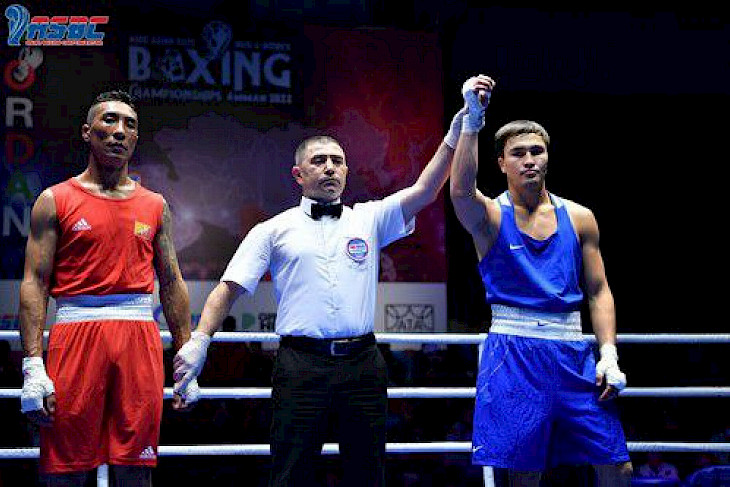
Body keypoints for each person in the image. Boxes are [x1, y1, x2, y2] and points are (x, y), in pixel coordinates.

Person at [172, 80, 482, 486]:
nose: (330, 167)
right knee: (291, 473)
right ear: (298, 174)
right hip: (301, 364)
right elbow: (227, 289)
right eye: (319, 161)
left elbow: (424, 191)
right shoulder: (272, 230)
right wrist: (199, 342)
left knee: (367, 474)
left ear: (347, 171)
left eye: (337, 161)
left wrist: (455, 133)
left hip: (363, 362)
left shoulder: (368, 219)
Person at [449, 75, 632, 486]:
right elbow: (460, 192)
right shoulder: (491, 217)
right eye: (518, 153)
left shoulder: (580, 217)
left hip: (573, 352)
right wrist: (472, 121)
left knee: (616, 464)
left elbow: (598, 290)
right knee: (525, 473)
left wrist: (608, 354)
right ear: (502, 163)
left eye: (537, 151)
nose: (529, 159)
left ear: (548, 157)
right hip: (513, 352)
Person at [18, 90, 199, 486]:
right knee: (65, 469)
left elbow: (171, 281)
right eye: (109, 120)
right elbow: (35, 282)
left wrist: (187, 360)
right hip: (75, 336)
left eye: (129, 125)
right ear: (87, 132)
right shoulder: (54, 200)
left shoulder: (155, 205)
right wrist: (32, 365)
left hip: (138, 339)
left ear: (136, 138)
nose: (119, 131)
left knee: (136, 469)